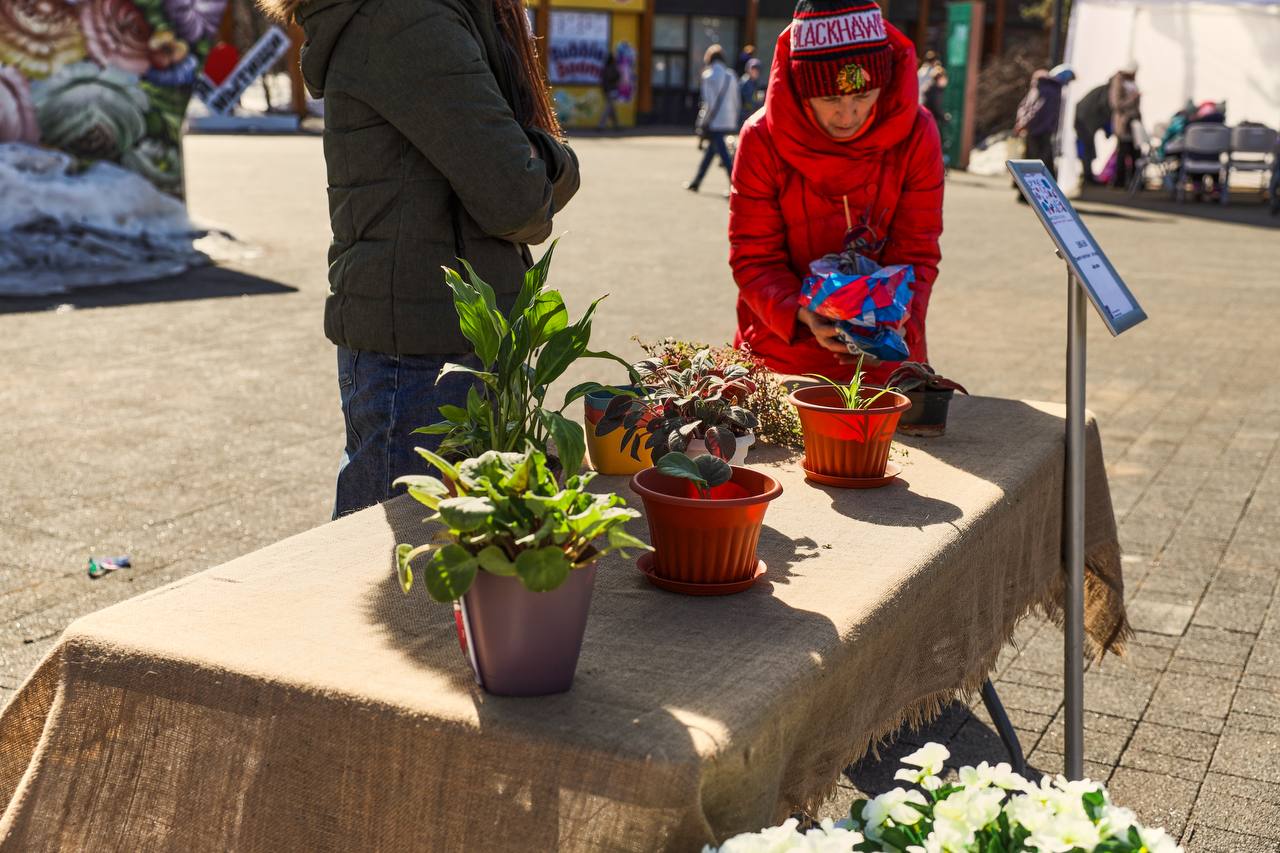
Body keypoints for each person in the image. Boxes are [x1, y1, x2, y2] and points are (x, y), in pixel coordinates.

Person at [260, 0, 581, 518]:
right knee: (401, 578)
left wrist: (532, 157)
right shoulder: (406, 15)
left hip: (434, 341)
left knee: (434, 569)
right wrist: (560, 161)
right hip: (425, 356)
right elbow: (516, 196)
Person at [730, 0, 944, 385]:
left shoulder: (916, 132)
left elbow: (917, 251)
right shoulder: (761, 138)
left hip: (886, 352)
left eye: (863, 96)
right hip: (783, 352)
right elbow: (753, 257)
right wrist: (804, 311)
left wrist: (896, 317)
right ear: (799, 87)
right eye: (830, 99)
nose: (848, 116)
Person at [685, 44, 740, 193]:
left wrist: (702, 121)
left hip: (715, 120)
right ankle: (697, 181)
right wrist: (735, 118)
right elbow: (736, 100)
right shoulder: (731, 75)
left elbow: (707, 103)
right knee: (711, 152)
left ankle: (735, 184)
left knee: (724, 155)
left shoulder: (708, 76)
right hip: (729, 118)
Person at [1013, 63, 1074, 187]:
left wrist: (1022, 123)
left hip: (1037, 129)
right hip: (1041, 130)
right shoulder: (1051, 89)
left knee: (1034, 161)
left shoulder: (1043, 87)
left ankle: (1027, 190)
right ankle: (1037, 191)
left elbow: (1027, 107)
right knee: (1038, 163)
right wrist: (1024, 123)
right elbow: (1035, 109)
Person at [1109, 63, 1141, 187]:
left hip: (1134, 120)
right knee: (1123, 150)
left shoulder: (1131, 81)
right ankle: (1119, 180)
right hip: (1124, 122)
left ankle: (1134, 180)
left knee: (1135, 151)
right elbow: (1116, 104)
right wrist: (1132, 99)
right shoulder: (1118, 82)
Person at [599, 52, 621, 129]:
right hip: (611, 90)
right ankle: (601, 125)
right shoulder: (612, 68)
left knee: (611, 108)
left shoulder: (605, 68)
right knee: (609, 108)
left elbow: (603, 81)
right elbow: (617, 76)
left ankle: (616, 125)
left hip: (607, 90)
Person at [740, 57, 766, 123]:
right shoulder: (744, 82)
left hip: (756, 115)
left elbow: (761, 99)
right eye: (753, 69)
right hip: (745, 116)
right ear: (748, 69)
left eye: (757, 69)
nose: (755, 71)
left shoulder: (761, 83)